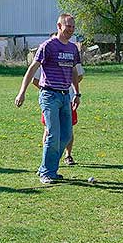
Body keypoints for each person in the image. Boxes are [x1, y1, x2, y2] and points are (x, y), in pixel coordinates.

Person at [15, 13, 81, 184]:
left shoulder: (73, 48)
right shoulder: (48, 46)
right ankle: (47, 172)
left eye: (73, 27)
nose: (71, 30)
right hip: (49, 95)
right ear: (59, 26)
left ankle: (48, 167)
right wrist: (22, 92)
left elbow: (74, 72)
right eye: (68, 26)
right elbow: (32, 69)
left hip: (66, 96)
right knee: (53, 133)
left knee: (66, 135)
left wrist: (77, 93)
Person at [32, 62, 84, 165]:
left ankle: (68, 155)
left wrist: (67, 85)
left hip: (68, 97)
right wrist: (49, 90)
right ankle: (47, 159)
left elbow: (79, 75)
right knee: (48, 129)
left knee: (68, 129)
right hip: (50, 99)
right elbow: (35, 80)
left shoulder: (70, 52)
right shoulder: (46, 52)